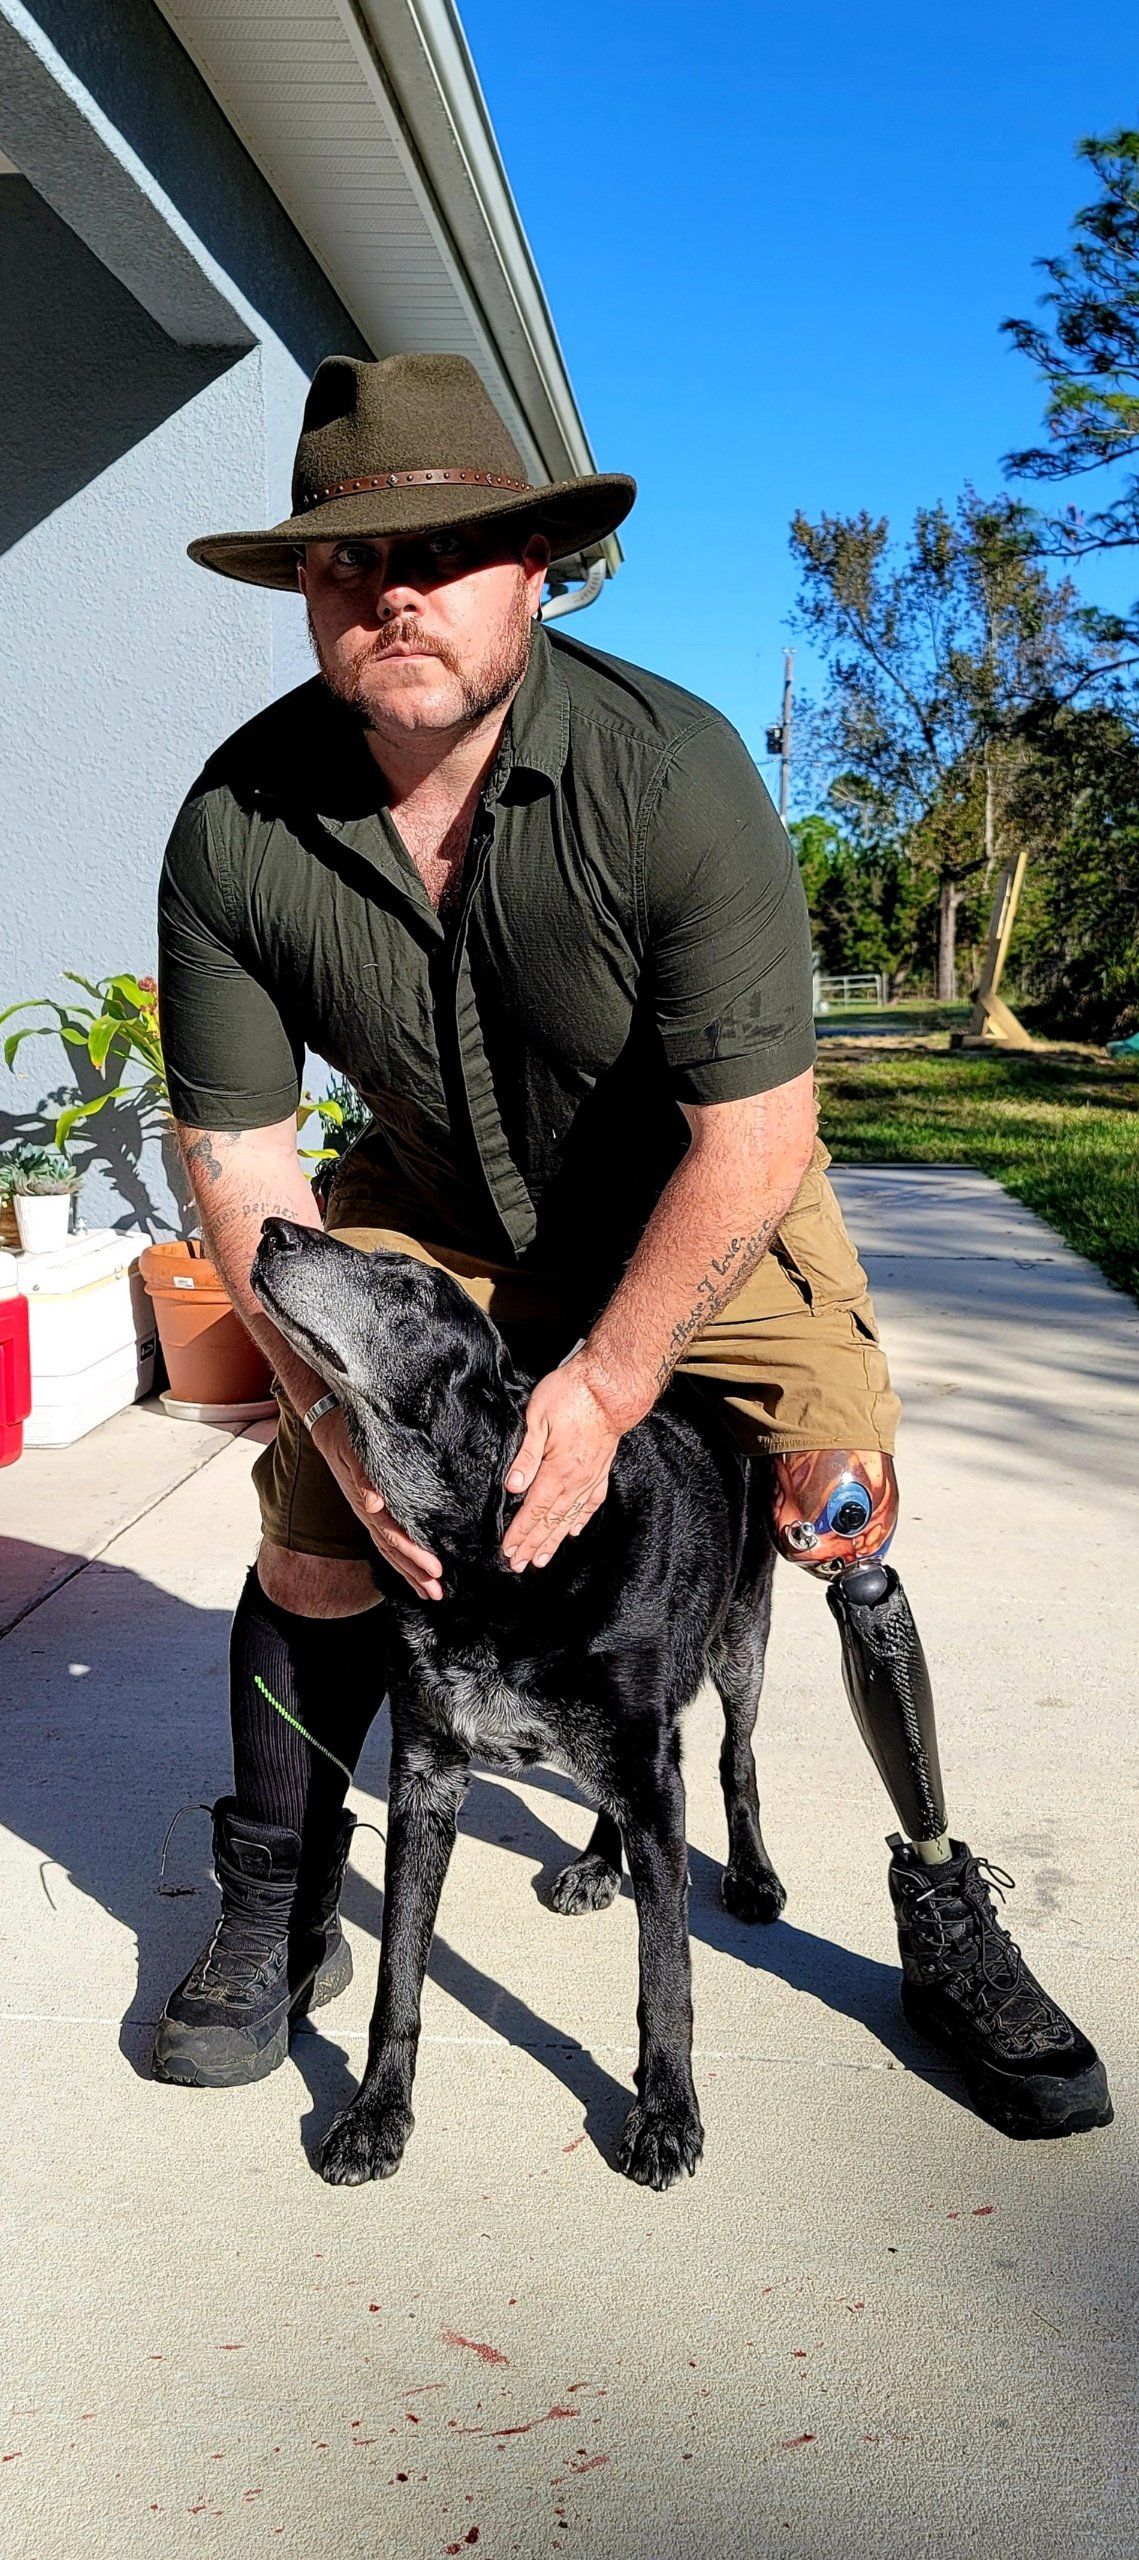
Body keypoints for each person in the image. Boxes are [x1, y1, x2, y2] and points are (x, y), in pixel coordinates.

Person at [151, 351, 1110, 2141]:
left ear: (540, 566)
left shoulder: (672, 772)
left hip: (700, 1193)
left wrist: (603, 1383)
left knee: (836, 1502)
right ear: (304, 589)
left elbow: (758, 1136)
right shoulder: (234, 825)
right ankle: (279, 1902)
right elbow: (243, 1161)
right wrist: (343, 1430)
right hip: (436, 1205)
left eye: (447, 547)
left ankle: (935, 1889)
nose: (397, 590)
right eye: (350, 561)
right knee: (310, 1543)